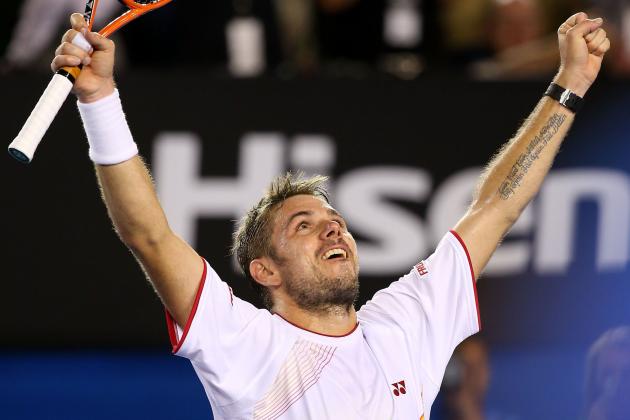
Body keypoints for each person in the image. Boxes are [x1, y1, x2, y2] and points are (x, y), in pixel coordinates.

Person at [49, 10, 609, 419]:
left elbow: (498, 204)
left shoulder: (406, 322)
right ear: (265, 271)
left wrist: (571, 85)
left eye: (332, 219)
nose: (333, 227)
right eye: (304, 226)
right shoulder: (243, 343)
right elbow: (147, 235)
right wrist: (98, 98)